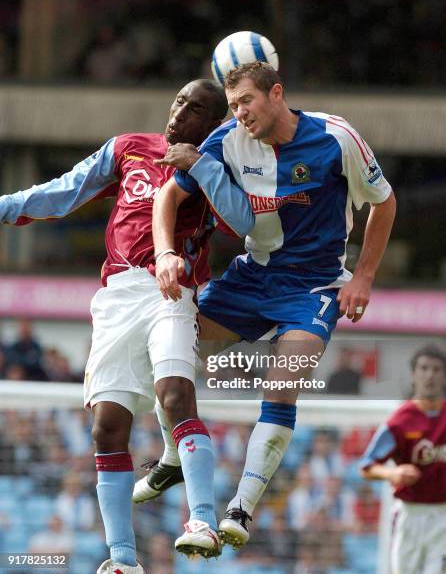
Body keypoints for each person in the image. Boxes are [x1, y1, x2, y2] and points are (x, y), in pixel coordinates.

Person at [0, 79, 254, 573]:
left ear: (214, 124)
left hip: (172, 289)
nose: (181, 112)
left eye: (197, 109)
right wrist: (6, 207)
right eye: (179, 100)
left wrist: (202, 164)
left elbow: (243, 224)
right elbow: (65, 191)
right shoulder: (128, 148)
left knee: (176, 395)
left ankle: (201, 520)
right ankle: (122, 561)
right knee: (106, 428)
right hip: (116, 298)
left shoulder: (217, 165)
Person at [142, 61, 396, 548]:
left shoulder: (336, 137)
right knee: (169, 348)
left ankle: (240, 511)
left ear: (276, 93)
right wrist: (165, 253)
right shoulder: (227, 138)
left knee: (283, 388)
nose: (239, 114)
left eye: (246, 103)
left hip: (315, 289)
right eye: (233, 105)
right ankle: (175, 455)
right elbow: (167, 197)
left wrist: (362, 277)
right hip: (251, 278)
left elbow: (384, 202)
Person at [360, 345, 446, 574]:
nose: (430, 375)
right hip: (410, 513)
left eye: (437, 369)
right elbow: (367, 466)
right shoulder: (400, 421)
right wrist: (392, 473)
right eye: (424, 368)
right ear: (413, 375)